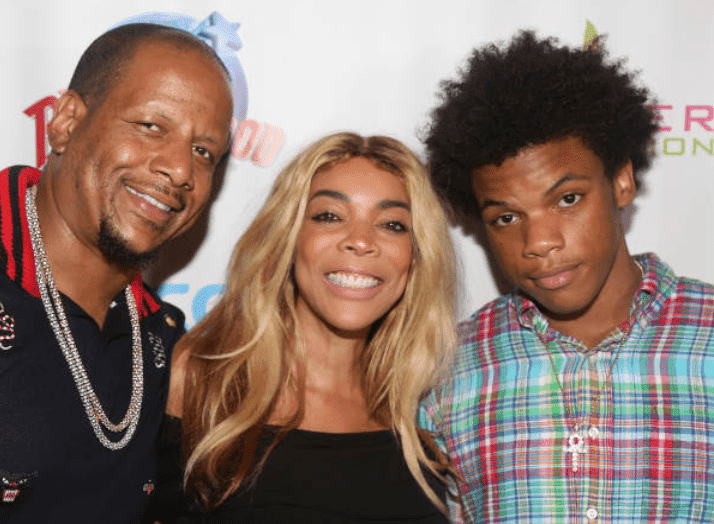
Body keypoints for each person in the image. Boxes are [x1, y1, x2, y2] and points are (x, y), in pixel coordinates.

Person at [419, 30, 714, 523]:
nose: (539, 242)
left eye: (567, 199)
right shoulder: (448, 373)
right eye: (507, 218)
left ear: (620, 182)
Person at [0, 23, 234, 523]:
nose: (180, 171)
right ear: (64, 122)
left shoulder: (166, 340)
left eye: (204, 152)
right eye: (152, 126)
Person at [160, 132, 457, 523]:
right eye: (329, 216)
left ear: (416, 256)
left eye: (392, 224)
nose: (361, 241)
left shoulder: (422, 414)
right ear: (290, 238)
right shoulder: (202, 380)